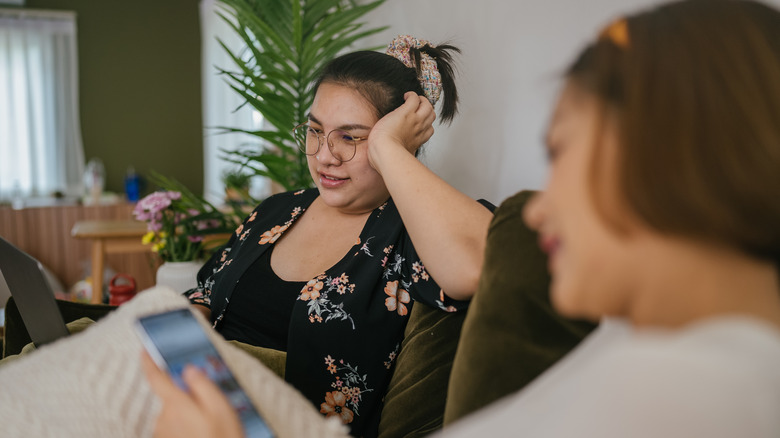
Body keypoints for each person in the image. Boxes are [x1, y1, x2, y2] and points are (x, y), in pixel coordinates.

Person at [437, 0, 780, 436]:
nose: (537, 211)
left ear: (663, 152)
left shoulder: (681, 389)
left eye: (559, 152)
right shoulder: (670, 352)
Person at [175, 35, 494, 437]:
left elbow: (476, 267)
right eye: (315, 130)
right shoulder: (277, 209)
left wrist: (388, 148)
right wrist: (182, 334)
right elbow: (207, 289)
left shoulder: (409, 233)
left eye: (351, 137)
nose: (325, 155)